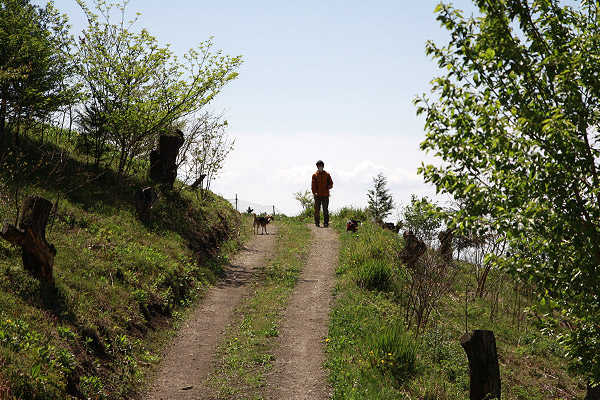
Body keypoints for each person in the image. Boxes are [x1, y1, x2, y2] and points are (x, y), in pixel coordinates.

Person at [311, 160, 333, 227]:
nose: (320, 167)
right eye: (319, 166)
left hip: (325, 195)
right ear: (317, 167)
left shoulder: (327, 174)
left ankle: (326, 222)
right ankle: (317, 222)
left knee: (325, 209)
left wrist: (329, 187)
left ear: (323, 166)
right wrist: (315, 193)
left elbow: (331, 183)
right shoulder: (315, 175)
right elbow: (313, 185)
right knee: (317, 210)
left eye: (321, 166)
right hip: (317, 195)